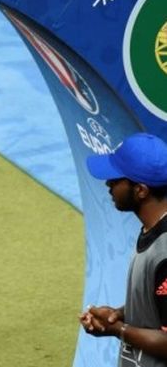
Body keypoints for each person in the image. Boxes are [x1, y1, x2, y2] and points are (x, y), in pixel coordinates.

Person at [80, 132, 167, 366]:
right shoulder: (152, 230)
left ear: (140, 190)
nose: (108, 183)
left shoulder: (165, 253)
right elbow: (159, 303)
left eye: (116, 178)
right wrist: (118, 314)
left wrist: (119, 329)